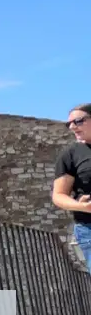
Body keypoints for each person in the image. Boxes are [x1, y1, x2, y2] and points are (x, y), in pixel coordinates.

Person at [52, 104, 91, 265]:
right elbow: (58, 195)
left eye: (78, 121)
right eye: (69, 124)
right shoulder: (70, 155)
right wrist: (81, 206)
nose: (73, 127)